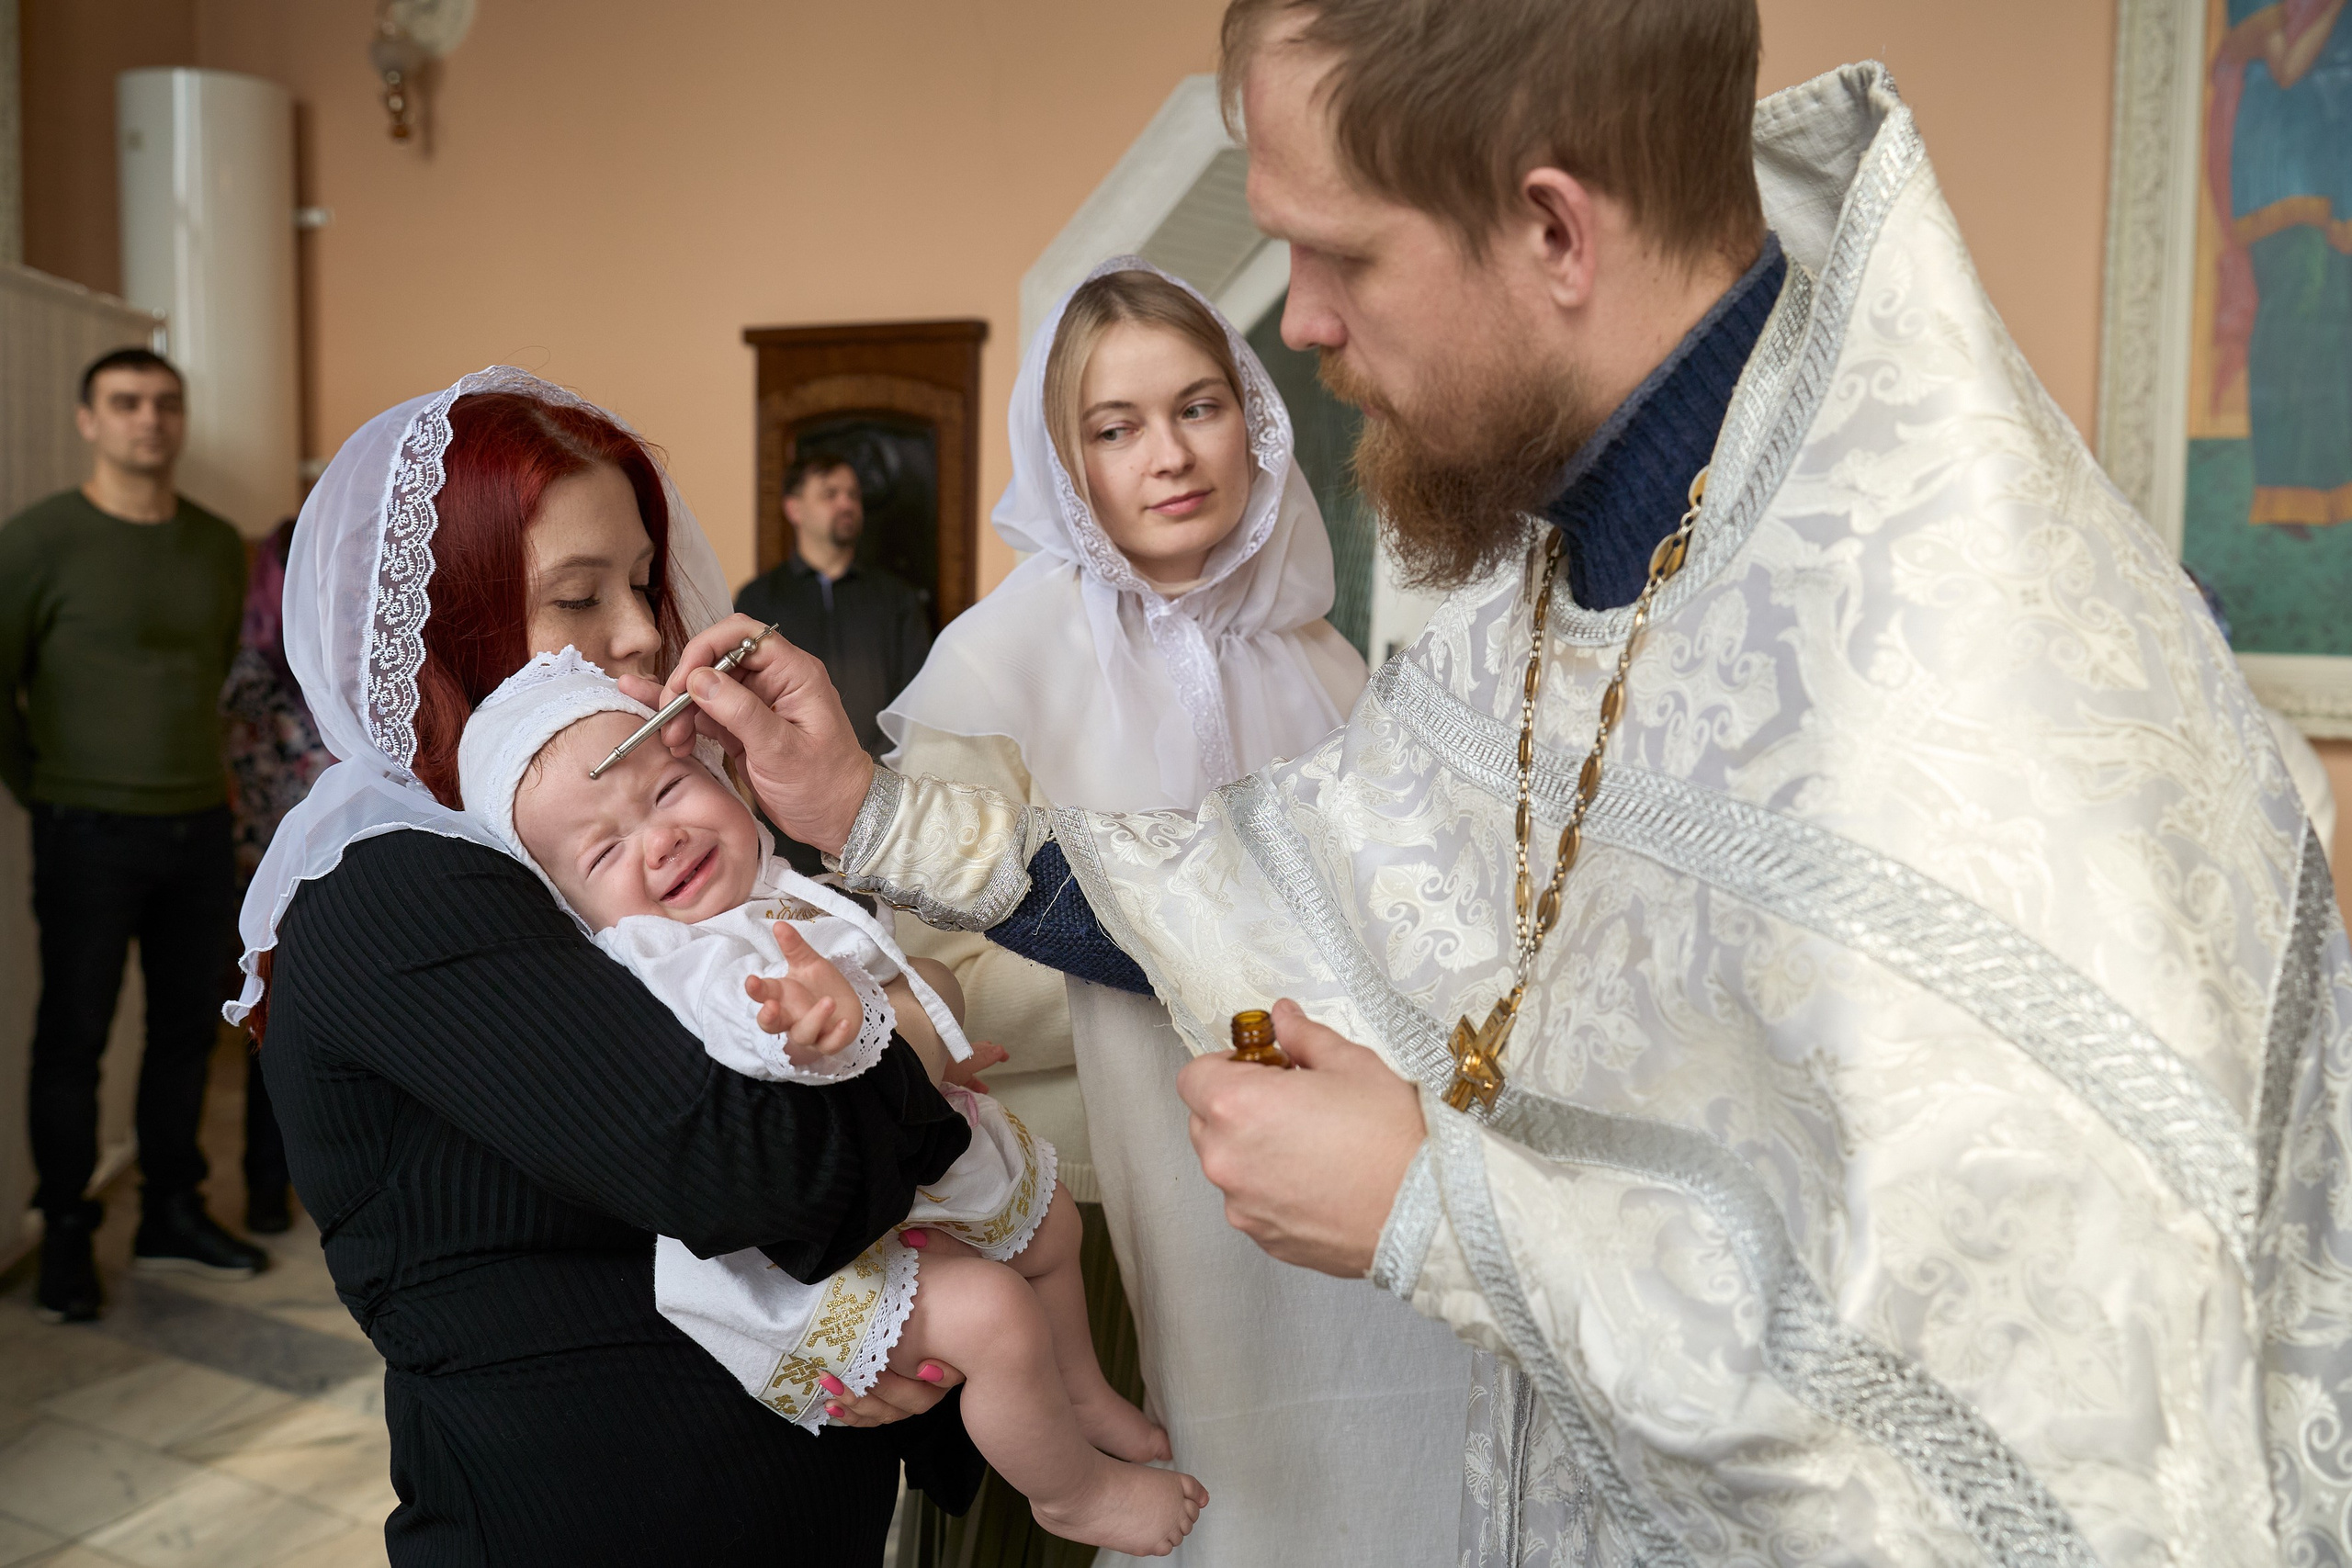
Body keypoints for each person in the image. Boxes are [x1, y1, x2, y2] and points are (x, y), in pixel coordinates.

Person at [634, 2, 2352, 1560]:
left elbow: (2047, 1470)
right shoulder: (1528, 550)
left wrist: (1437, 1210)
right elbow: (1309, 874)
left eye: (1336, 254)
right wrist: (869, 807)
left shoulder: (1991, 702)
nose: (1292, 327)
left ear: (1552, 228)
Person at [227, 369, 982, 1565]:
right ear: (447, 631)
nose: (639, 629)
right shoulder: (397, 886)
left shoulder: (600, 850)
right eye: (578, 596)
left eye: (639, 578)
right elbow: (763, 1167)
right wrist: (909, 1024)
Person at [881, 259, 1464, 1566]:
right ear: (1064, 456)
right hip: (1080, 1205)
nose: (1171, 454)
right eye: (1116, 425)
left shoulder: (1316, 655)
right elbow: (930, 968)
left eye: (1199, 407)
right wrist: (1201, 975)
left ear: (1253, 420)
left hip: (1298, 1189)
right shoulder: (996, 662)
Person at [455, 651, 1205, 1557]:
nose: (658, 840)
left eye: (666, 792)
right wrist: (819, 1033)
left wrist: (925, 1025)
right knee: (995, 1323)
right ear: (573, 912)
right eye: (605, 850)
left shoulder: (774, 891)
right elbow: (756, 1054)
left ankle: (1080, 1391)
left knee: (1051, 1229)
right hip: (799, 1262)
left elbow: (902, 978)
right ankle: (1068, 1493)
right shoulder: (668, 962)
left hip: (892, 1176)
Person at [0, 346, 270, 1323]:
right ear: (88, 420)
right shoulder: (37, 541)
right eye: (124, 404)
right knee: (72, 1035)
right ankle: (67, 1235)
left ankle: (171, 1210)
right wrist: (49, 790)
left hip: (196, 824)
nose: (147, 421)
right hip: (84, 827)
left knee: (184, 1033)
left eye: (164, 404)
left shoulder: (210, 544)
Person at [737, 455, 933, 871]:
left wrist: (869, 777)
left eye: (853, 495)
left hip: (885, 802)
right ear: (794, 508)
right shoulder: (757, 600)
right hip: (787, 808)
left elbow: (918, 698)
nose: (846, 503)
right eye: (830, 494)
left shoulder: (895, 599)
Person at [220, 515, 328, 1235]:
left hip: (342, 864)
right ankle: (266, 1187)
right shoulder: (253, 679)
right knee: (275, 1033)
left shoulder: (352, 660)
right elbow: (252, 781)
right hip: (274, 874)